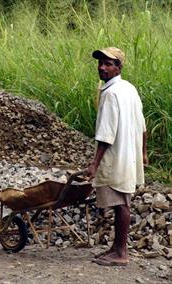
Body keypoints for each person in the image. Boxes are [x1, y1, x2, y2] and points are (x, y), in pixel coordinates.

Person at [86, 47, 147, 266]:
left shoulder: (111, 93)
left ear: (119, 67)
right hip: (129, 155)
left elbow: (105, 134)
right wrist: (143, 153)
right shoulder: (128, 88)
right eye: (100, 63)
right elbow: (142, 124)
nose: (102, 67)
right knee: (123, 201)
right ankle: (116, 248)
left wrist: (94, 164)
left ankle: (121, 253)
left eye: (108, 63)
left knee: (121, 204)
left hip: (117, 156)